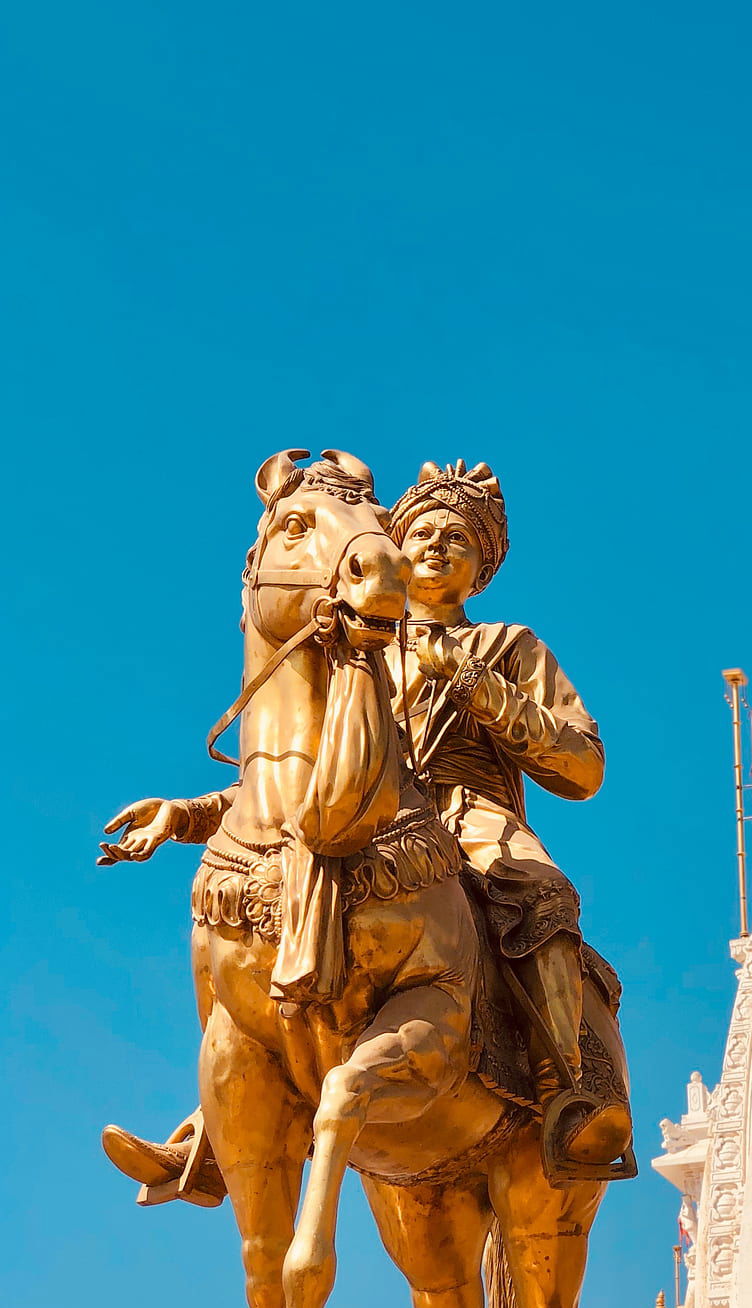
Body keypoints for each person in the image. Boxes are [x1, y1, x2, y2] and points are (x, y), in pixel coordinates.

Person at [100, 458, 632, 1202]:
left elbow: (581, 766)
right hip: (364, 818)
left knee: (542, 894)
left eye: (458, 538)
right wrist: (185, 815)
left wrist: (472, 683)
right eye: (420, 533)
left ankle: (569, 1089)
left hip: (471, 819)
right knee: (257, 913)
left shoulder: (508, 645)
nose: (436, 546)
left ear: (481, 566)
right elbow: (298, 776)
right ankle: (217, 1126)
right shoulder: (358, 646)